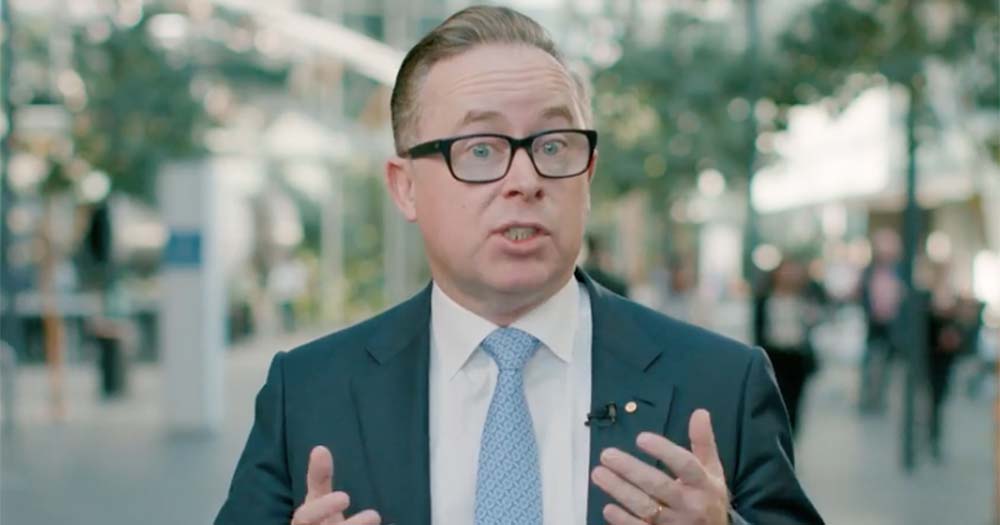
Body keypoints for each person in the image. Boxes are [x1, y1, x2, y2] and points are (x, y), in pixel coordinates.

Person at [216, 6, 822, 525]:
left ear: (587, 175)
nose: (526, 180)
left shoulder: (719, 384)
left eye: (554, 145)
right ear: (404, 188)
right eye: (481, 150)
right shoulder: (310, 392)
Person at [752, 259, 822, 437]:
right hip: (774, 356)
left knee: (795, 403)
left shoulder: (805, 298)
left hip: (796, 357)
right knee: (776, 401)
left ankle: (790, 438)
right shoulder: (765, 299)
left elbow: (813, 322)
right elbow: (758, 330)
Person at [858, 228, 905, 413]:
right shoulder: (870, 272)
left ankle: (879, 399)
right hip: (874, 324)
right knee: (871, 361)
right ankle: (869, 399)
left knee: (886, 364)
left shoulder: (899, 272)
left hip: (892, 325)